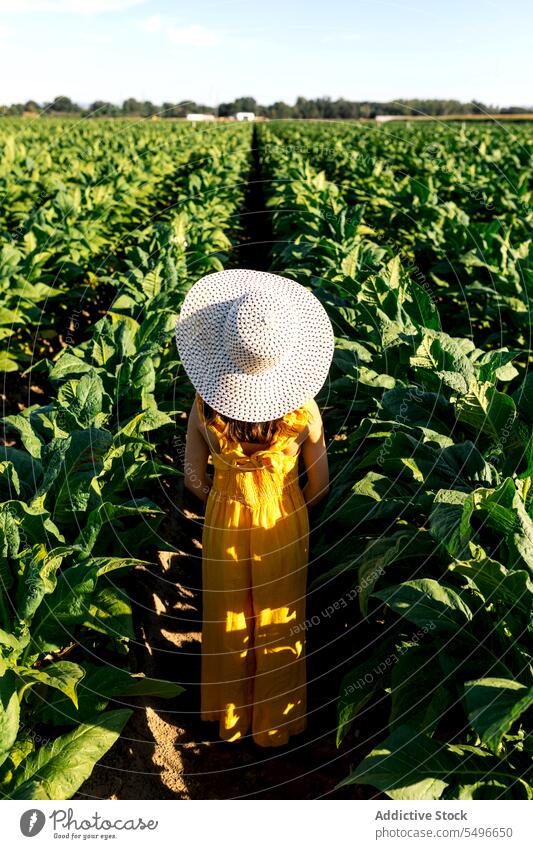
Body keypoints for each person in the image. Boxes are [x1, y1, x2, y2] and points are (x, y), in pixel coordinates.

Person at [175, 268, 334, 747]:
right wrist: (286, 503)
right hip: (283, 521)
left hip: (225, 518)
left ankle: (229, 719)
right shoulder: (304, 412)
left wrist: (224, 497)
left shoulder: (205, 405)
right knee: (279, 619)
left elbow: (192, 478)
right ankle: (273, 726)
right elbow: (320, 485)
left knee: (227, 618)